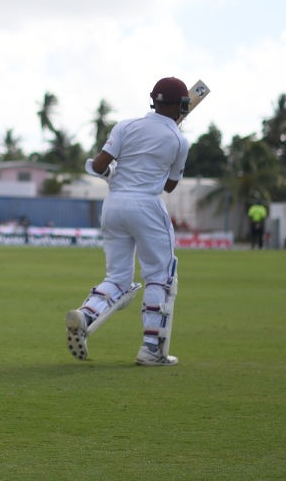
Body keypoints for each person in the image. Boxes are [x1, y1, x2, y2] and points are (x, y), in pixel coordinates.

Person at [66, 76, 191, 366]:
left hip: (114, 206)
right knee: (160, 275)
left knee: (117, 278)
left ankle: (85, 315)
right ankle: (151, 349)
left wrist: (115, 174)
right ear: (182, 105)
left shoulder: (126, 125)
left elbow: (98, 166)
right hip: (147, 205)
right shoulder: (178, 140)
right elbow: (169, 187)